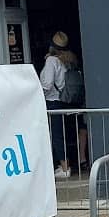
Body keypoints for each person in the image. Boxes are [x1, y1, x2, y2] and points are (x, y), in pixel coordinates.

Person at [40, 34, 73, 178]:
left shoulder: (52, 61)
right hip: (63, 100)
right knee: (61, 133)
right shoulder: (68, 60)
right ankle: (64, 166)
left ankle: (65, 167)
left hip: (52, 102)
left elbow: (47, 84)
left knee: (56, 135)